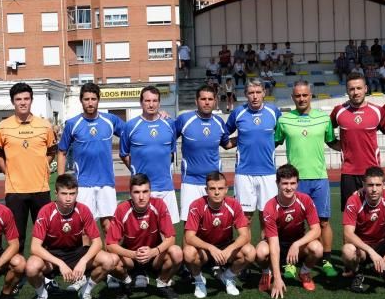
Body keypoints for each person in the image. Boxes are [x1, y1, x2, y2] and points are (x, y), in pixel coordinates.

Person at [25, 174, 118, 299]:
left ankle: (85, 292)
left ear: (77, 193)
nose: (68, 198)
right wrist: (61, 264)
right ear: (56, 193)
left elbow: (97, 242)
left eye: (72, 194)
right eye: (64, 194)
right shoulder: (46, 211)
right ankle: (42, 296)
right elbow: (35, 247)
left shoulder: (83, 210)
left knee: (109, 260)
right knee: (31, 267)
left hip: (76, 253)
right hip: (53, 256)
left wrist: (83, 261)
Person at [274, 80, 339, 277]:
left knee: (323, 222)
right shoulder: (284, 120)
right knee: (294, 223)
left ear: (311, 96)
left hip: (319, 178)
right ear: (293, 97)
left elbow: (333, 142)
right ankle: (291, 262)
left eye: (305, 95)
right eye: (298, 95)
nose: (301, 98)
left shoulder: (324, 119)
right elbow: (273, 143)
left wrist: (354, 146)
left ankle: (326, 260)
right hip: (295, 182)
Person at [0, 82, 58, 254]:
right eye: (18, 99)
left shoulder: (45, 125)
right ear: (13, 101)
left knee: (44, 236)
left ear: (31, 100)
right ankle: (18, 274)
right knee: (16, 237)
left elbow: (52, 150)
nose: (23, 102)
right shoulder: (2, 127)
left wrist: (44, 164)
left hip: (41, 188)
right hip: (15, 191)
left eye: (26, 98)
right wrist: (8, 171)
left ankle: (46, 276)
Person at [57, 83, 124, 234]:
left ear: (98, 100)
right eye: (86, 99)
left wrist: (158, 115)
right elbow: (62, 152)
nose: (90, 102)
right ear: (81, 100)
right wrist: (62, 180)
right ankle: (89, 258)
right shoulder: (73, 124)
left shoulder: (110, 120)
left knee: (109, 226)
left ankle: (110, 258)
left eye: (93, 99)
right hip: (83, 184)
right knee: (85, 228)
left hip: (106, 182)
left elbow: (132, 132)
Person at [105, 174, 182, 299]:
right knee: (111, 259)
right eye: (136, 192)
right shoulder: (122, 209)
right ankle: (126, 281)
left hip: (154, 256)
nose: (141, 197)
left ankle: (162, 283)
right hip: (130, 257)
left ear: (150, 192)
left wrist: (153, 252)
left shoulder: (159, 205)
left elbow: (171, 238)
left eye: (145, 191)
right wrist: (133, 254)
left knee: (177, 252)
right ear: (130, 193)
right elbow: (110, 244)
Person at [183, 171, 256, 298]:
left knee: (250, 252)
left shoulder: (234, 204)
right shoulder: (196, 205)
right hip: (204, 249)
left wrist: (229, 249)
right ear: (206, 190)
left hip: (225, 247)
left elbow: (245, 235)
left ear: (226, 189)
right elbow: (189, 237)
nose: (216, 192)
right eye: (212, 188)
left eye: (220, 188)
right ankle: (199, 281)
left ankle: (227, 276)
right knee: (188, 253)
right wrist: (211, 248)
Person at [256, 164, 324, 299]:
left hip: (297, 243)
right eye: (285, 183)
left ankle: (304, 272)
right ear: (277, 184)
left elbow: (316, 230)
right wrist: (278, 278)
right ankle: (266, 272)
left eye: (293, 183)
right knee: (260, 251)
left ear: (298, 183)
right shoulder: (270, 207)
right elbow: (274, 244)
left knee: (317, 248)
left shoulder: (305, 200)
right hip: (277, 242)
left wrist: (297, 244)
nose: (289, 187)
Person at [341, 166, 385, 293]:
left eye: (378, 185)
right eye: (370, 185)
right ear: (364, 185)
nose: (374, 189)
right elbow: (348, 233)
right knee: (347, 251)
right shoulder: (354, 200)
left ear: (384, 185)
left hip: (382, 243)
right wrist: (371, 252)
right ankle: (358, 273)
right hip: (362, 247)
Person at [120, 86, 180, 222]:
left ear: (159, 103)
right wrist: (136, 171)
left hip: (166, 187)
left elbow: (171, 153)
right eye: (147, 101)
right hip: (142, 189)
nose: (151, 104)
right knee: (143, 230)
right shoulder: (130, 126)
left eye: (154, 101)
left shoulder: (170, 124)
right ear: (141, 102)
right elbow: (124, 154)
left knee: (168, 232)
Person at [224, 78, 281, 220]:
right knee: (245, 218)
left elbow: (280, 135)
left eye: (258, 92)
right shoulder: (237, 113)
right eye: (251, 93)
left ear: (264, 93)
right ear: (245, 94)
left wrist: (268, 143)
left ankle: (266, 243)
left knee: (267, 217)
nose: (254, 96)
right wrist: (240, 139)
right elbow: (224, 136)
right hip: (244, 173)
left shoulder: (274, 112)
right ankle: (245, 243)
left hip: (268, 172)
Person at [331, 73, 384, 214]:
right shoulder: (338, 111)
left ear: (366, 88)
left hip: (372, 173)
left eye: (359, 88)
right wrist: (340, 147)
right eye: (352, 89)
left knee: (374, 215)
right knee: (350, 217)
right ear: (347, 91)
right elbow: (327, 134)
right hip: (349, 173)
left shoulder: (378, 111)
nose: (356, 92)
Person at [175, 86, 229, 218]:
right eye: (203, 99)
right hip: (190, 182)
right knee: (189, 225)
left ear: (215, 101)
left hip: (214, 182)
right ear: (196, 101)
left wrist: (247, 135)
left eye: (210, 99)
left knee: (213, 223)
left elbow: (226, 144)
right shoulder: (184, 119)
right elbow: (168, 138)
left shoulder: (219, 122)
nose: (207, 102)